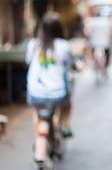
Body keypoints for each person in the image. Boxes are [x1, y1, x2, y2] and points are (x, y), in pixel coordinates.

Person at [26, 12, 74, 162]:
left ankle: (40, 138)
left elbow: (28, 61)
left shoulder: (33, 44)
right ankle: (65, 125)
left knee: (36, 111)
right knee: (68, 102)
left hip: (35, 93)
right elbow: (70, 63)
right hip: (58, 94)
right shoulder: (64, 45)